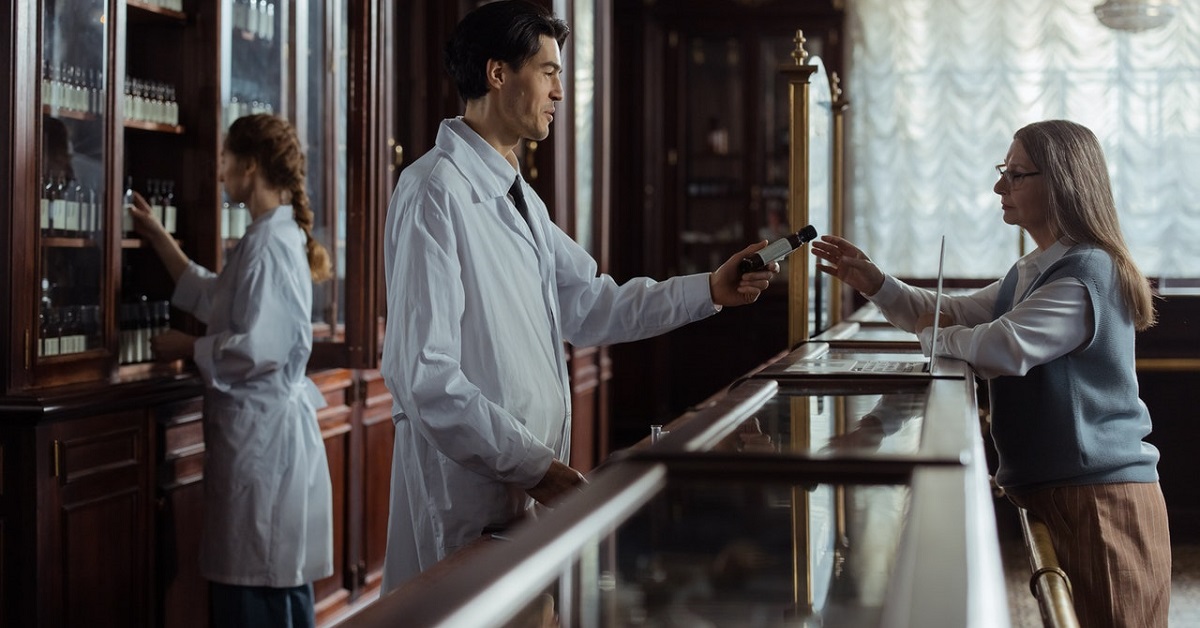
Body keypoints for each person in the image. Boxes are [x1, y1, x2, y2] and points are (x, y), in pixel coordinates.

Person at [379, 0, 779, 592]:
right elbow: (426, 376)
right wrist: (536, 468)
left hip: (525, 487)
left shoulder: (520, 196)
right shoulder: (434, 192)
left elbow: (593, 304)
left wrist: (709, 290)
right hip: (466, 493)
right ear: (497, 74)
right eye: (548, 71)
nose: (560, 90)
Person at [811, 119, 1170, 627]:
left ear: (1062, 181)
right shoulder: (1033, 269)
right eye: (1004, 171)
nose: (999, 186)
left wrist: (933, 338)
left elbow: (1001, 347)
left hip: (1101, 500)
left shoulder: (1089, 271)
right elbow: (952, 314)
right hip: (1065, 491)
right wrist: (875, 282)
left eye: (1016, 174)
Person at [128, 113, 335, 627]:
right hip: (261, 438)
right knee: (271, 581)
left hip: (263, 440)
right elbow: (214, 295)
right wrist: (157, 236)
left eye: (225, 162)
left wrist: (189, 345)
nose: (220, 174)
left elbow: (259, 347)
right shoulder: (268, 236)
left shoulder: (269, 244)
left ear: (250, 167)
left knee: (257, 587)